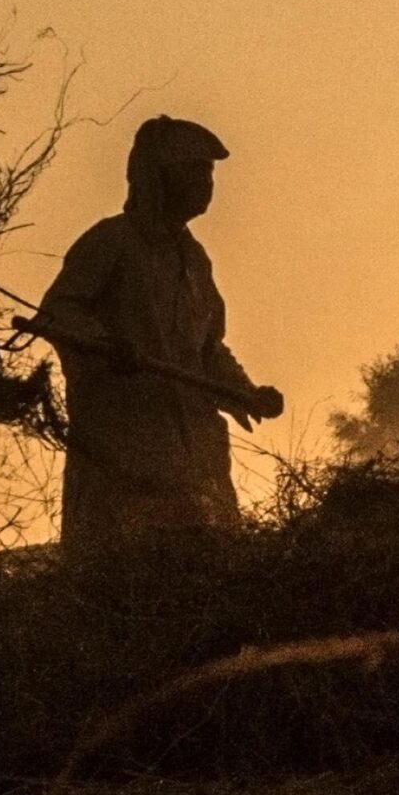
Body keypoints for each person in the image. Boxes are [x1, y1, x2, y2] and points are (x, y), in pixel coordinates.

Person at [33, 116, 283, 553]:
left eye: (209, 173)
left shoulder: (194, 259)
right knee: (125, 573)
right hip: (124, 453)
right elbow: (58, 311)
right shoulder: (111, 243)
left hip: (194, 456)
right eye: (195, 171)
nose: (206, 183)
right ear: (158, 176)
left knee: (211, 567)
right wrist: (105, 347)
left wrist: (245, 392)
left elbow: (209, 349)